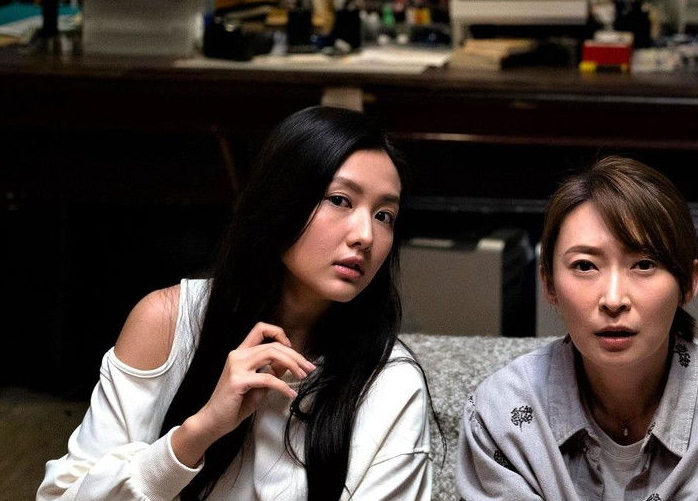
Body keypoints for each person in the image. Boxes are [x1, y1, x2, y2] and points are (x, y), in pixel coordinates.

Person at [39, 106, 431, 501]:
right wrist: (200, 431)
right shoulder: (168, 323)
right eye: (340, 200)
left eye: (384, 215)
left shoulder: (391, 382)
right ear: (281, 199)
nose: (365, 235)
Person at [458, 156, 698, 500]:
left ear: (689, 283)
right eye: (585, 266)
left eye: (644, 264)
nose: (614, 299)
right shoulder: (500, 416)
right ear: (549, 284)